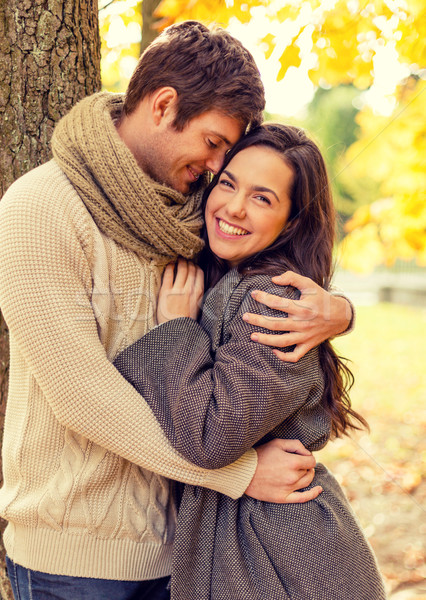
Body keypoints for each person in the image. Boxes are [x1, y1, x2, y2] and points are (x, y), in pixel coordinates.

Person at [0, 22, 353, 600]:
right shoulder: (42, 208)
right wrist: (238, 474)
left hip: (187, 551)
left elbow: (268, 263)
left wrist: (338, 310)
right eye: (215, 143)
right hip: (76, 558)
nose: (217, 168)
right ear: (164, 106)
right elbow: (81, 394)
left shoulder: (193, 211)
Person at [114, 124, 387, 600]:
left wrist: (175, 328)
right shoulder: (229, 275)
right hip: (246, 536)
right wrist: (343, 311)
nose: (234, 207)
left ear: (292, 221)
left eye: (263, 198)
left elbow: (212, 437)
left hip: (278, 552)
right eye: (228, 184)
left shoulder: (272, 297)